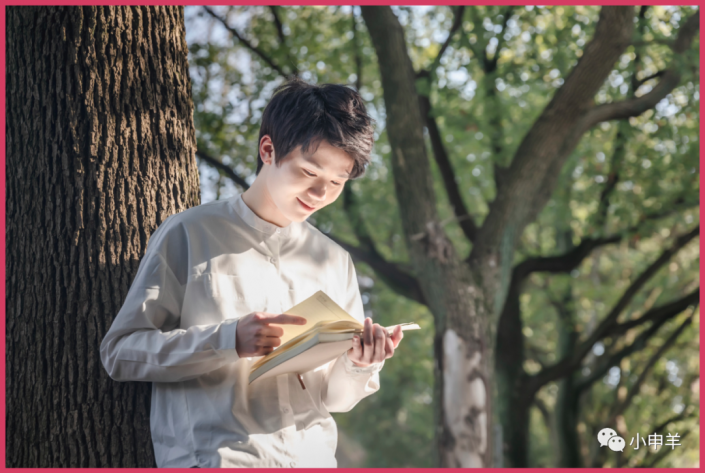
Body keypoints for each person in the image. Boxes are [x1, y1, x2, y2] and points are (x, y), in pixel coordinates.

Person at [100, 78, 404, 468]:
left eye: (335, 182)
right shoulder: (189, 233)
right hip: (217, 459)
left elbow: (335, 399)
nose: (319, 194)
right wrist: (228, 339)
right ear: (268, 149)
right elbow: (121, 352)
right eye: (309, 172)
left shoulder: (333, 260)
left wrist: (361, 363)